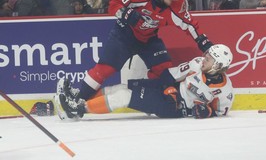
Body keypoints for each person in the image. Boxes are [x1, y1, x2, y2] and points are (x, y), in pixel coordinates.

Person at [55, 0, 213, 109]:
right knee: (105, 69)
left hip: (149, 39)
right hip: (124, 35)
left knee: (163, 70)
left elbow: (190, 25)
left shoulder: (177, 5)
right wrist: (125, 13)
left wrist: (203, 42)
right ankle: (78, 100)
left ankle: (157, 101)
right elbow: (114, 3)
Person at [55, 44, 234, 120]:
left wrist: (208, 111)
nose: (204, 59)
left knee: (124, 96)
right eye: (206, 55)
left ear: (217, 66)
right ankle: (79, 101)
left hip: (176, 107)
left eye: (209, 59)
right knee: (122, 87)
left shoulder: (225, 91)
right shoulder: (196, 63)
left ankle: (77, 110)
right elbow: (170, 76)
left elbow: (220, 111)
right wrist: (146, 84)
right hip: (170, 90)